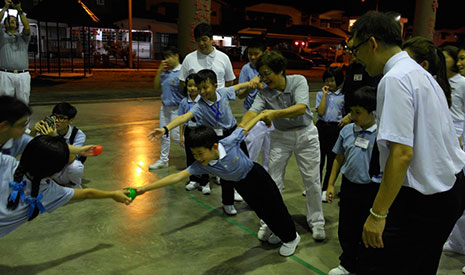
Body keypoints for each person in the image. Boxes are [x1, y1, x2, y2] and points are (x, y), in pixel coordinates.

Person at [350, 12, 465, 274]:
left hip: (424, 199)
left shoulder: (394, 79)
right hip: (449, 188)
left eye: (354, 49)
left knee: (375, 263)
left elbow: (401, 153)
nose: (354, 57)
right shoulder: (418, 73)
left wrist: (377, 215)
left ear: (372, 43)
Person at [136, 123, 300, 256]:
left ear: (214, 147)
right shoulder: (200, 165)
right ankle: (277, 231)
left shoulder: (229, 143)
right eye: (194, 154)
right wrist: (144, 188)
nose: (198, 158)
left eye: (200, 153)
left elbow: (245, 127)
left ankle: (292, 238)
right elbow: (176, 177)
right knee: (261, 209)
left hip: (257, 176)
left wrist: (262, 115)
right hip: (242, 185)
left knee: (275, 206)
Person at [240, 50, 326, 241]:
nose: (264, 78)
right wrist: (240, 128)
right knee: (273, 182)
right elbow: (252, 112)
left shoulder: (298, 81)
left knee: (312, 180)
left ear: (280, 71)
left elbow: (301, 108)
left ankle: (317, 222)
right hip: (280, 137)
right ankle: (270, 223)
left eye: (267, 73)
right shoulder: (264, 92)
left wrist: (273, 114)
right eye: (261, 74)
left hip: (306, 135)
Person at [148, 69, 256, 215]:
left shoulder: (224, 93)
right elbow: (183, 118)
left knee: (245, 164)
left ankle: (246, 193)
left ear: (215, 85)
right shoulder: (199, 106)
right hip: (217, 140)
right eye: (199, 89)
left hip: (232, 133)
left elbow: (238, 87)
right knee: (225, 170)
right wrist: (165, 129)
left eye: (205, 87)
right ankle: (228, 202)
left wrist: (251, 83)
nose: (202, 92)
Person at [0, 135, 132, 237]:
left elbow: (38, 147)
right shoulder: (50, 192)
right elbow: (87, 193)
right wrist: (113, 194)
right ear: (56, 172)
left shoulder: (6, 163)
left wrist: (79, 150)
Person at [326, 86, 380, 275]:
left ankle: (365, 266)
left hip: (371, 189)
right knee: (347, 229)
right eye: (351, 111)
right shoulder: (347, 131)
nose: (353, 115)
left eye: (358, 112)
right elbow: (338, 158)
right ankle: (347, 263)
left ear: (373, 112)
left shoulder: (382, 134)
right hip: (349, 187)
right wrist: (331, 184)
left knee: (367, 231)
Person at [237, 39, 272, 171]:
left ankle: (268, 178)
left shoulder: (271, 68)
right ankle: (249, 178)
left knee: (270, 152)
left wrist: (261, 85)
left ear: (264, 53)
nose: (252, 57)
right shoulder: (246, 69)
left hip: (270, 115)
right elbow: (240, 94)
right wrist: (249, 89)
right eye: (250, 54)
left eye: (256, 54)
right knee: (251, 149)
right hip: (252, 114)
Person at [149, 47, 184, 170]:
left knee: (176, 136)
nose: (167, 60)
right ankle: (163, 160)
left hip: (177, 108)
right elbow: (156, 86)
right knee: (163, 135)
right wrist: (159, 70)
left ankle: (194, 153)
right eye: (165, 58)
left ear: (176, 56)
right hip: (165, 108)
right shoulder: (165, 73)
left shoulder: (182, 72)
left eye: (169, 57)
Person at [315, 66, 344, 201]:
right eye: (327, 80)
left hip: (335, 128)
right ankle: (315, 187)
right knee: (318, 159)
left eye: (332, 80)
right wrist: (325, 95)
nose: (329, 83)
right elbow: (320, 112)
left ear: (338, 80)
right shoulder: (321, 94)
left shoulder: (343, 95)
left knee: (331, 160)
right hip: (321, 127)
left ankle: (326, 188)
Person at [178, 73, 210, 194]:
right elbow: (182, 119)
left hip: (201, 131)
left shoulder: (203, 102)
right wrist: (181, 135)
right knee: (190, 156)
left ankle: (205, 181)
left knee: (203, 156)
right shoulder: (184, 102)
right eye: (189, 86)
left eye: (195, 86)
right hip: (189, 132)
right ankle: (193, 179)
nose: (192, 88)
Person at [178, 22, 236, 89]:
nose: (201, 43)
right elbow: (182, 81)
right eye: (198, 41)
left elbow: (229, 81)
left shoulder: (223, 57)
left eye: (204, 39)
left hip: (219, 98)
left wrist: (221, 95)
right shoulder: (189, 58)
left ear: (211, 39)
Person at [0, 0, 31, 105]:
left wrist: (19, 10)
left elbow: (27, 27)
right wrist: (4, 8)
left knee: (23, 103)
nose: (12, 21)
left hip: (23, 74)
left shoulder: (23, 38)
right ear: (5, 24)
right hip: (5, 74)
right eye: (9, 20)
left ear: (18, 24)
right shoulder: (2, 37)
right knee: (5, 103)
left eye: (14, 20)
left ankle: (23, 121)